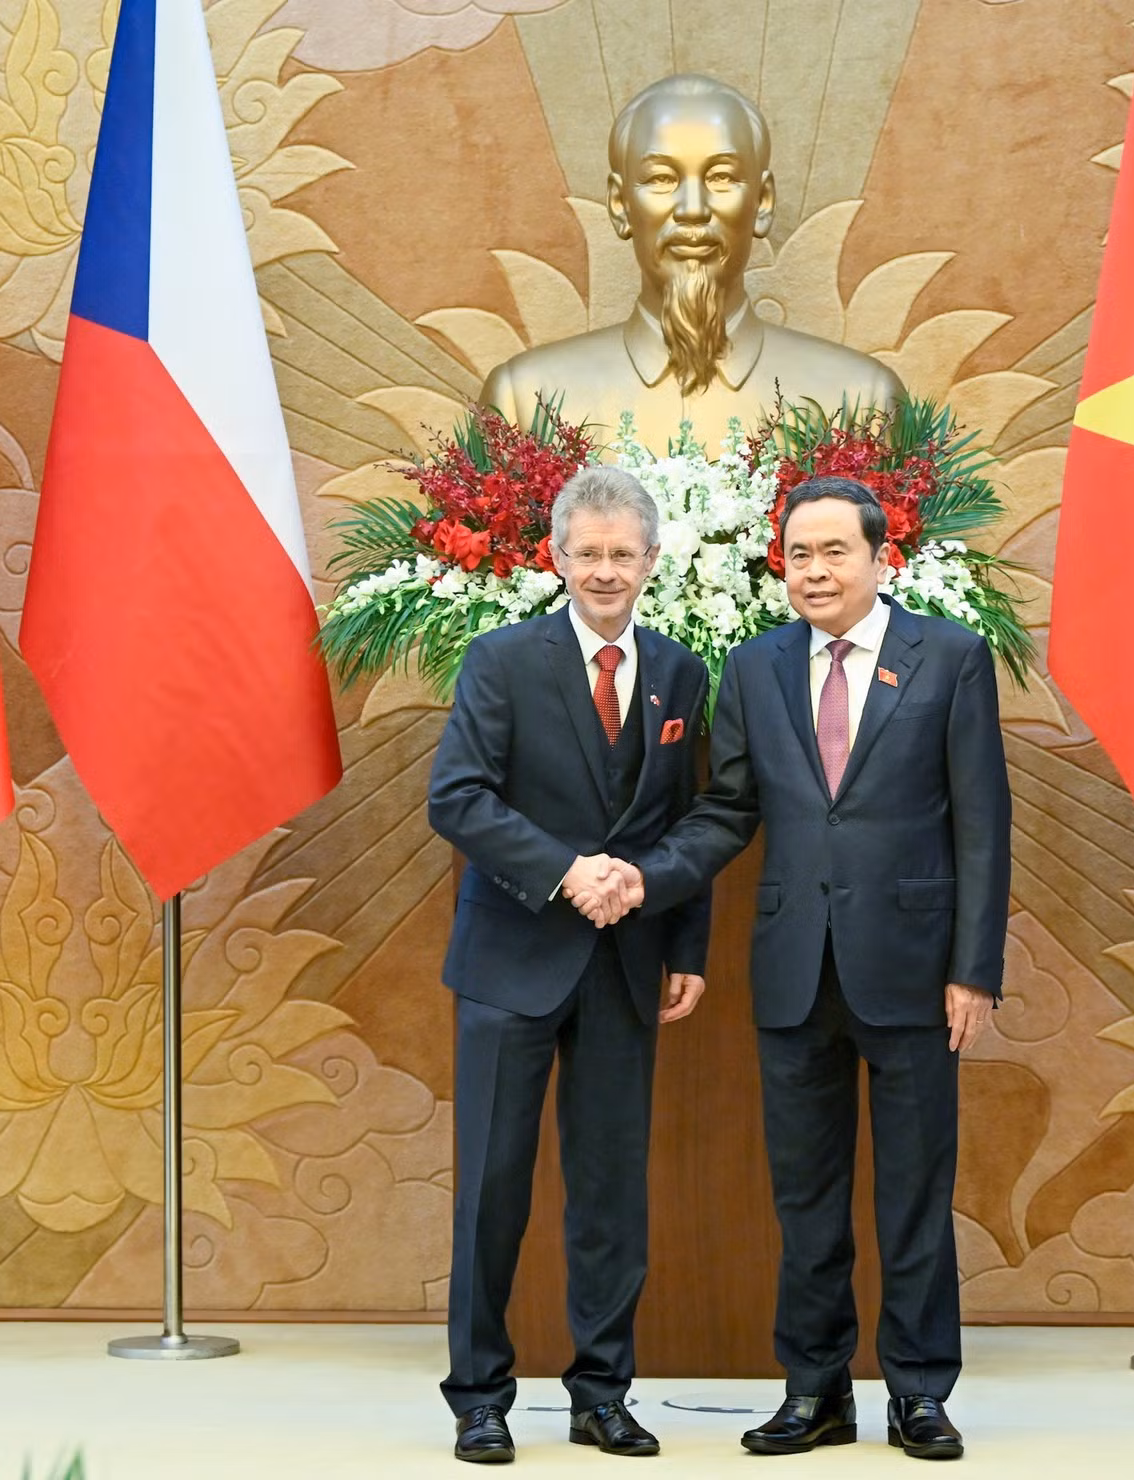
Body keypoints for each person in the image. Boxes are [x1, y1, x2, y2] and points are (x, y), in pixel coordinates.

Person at [589, 475, 1012, 1461]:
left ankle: (917, 1393)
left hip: (914, 970)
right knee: (805, 1196)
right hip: (790, 968)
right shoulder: (754, 667)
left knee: (913, 1190)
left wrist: (974, 969)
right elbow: (726, 811)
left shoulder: (946, 659)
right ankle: (814, 1390)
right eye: (799, 555)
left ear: (879, 559)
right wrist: (646, 880)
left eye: (835, 552)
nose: (815, 571)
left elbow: (982, 826)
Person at [426, 465, 710, 1464]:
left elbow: (686, 816)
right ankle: (478, 1396)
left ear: (651, 561)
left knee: (608, 1193)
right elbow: (456, 800)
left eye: (620, 554)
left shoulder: (679, 671)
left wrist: (685, 945)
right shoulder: (500, 660)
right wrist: (565, 871)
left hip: (627, 967)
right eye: (586, 552)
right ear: (555, 555)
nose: (603, 570)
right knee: (493, 1189)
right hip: (511, 964)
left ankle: (601, 1391)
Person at [481, 72, 903, 451]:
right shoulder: (524, 403)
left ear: (763, 202)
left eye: (721, 177)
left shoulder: (862, 403)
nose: (693, 209)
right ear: (619, 204)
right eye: (661, 179)